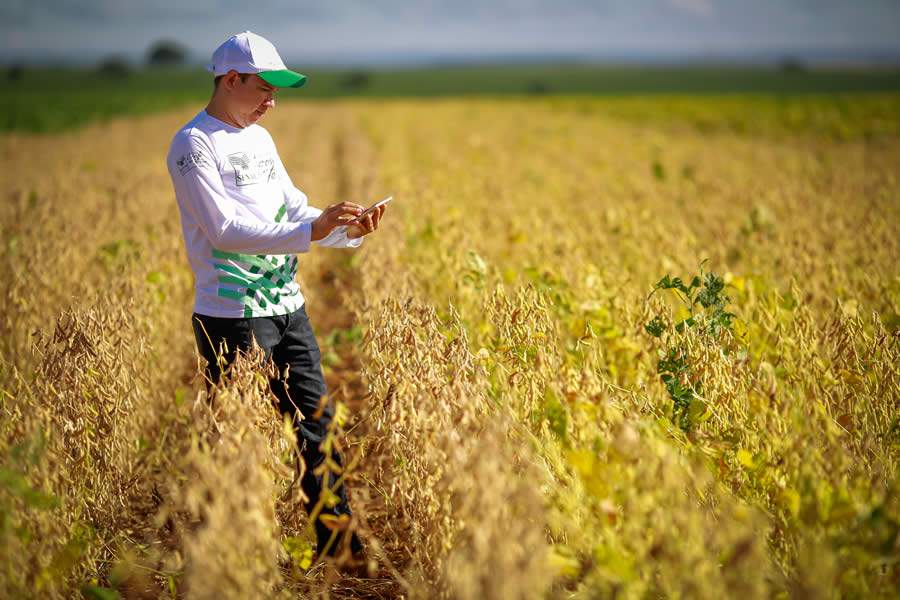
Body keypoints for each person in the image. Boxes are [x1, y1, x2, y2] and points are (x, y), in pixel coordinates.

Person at [165, 30, 384, 564]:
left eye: (276, 92)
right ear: (230, 80)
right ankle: (232, 553)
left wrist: (345, 229)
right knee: (238, 435)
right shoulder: (194, 145)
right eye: (264, 88)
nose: (272, 101)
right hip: (232, 314)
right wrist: (311, 231)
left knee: (317, 424)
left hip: (288, 306)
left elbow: (295, 210)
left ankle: (338, 546)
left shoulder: (260, 140)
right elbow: (224, 230)